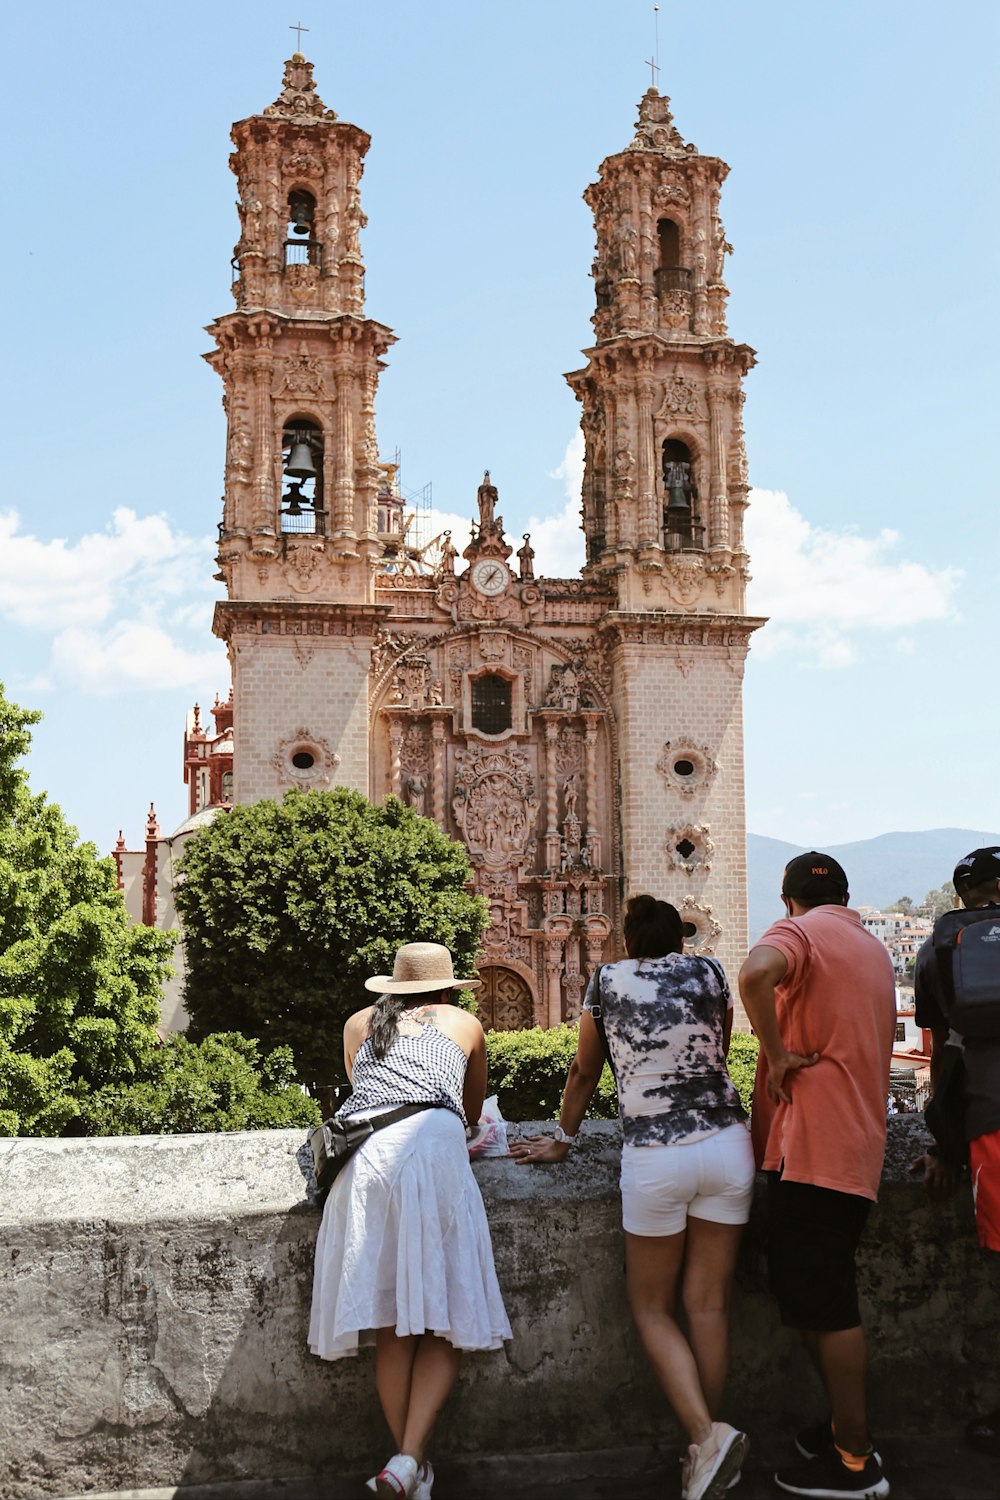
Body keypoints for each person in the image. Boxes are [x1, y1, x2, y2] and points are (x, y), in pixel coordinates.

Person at [510, 894, 753, 1500]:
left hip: (657, 1154)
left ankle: (705, 1434)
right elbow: (718, 1044)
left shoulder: (606, 979)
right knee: (709, 1305)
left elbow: (584, 1072)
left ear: (626, 938)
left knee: (651, 1307)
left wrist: (564, 1139)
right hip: (728, 1144)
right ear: (678, 937)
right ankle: (705, 1450)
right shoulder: (712, 971)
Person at [308, 942, 511, 1500]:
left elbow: (363, 1090)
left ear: (394, 988)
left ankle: (408, 1470)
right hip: (430, 1154)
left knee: (393, 1325)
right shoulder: (464, 1023)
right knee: (449, 1313)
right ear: (446, 989)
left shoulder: (358, 1024)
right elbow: (471, 1113)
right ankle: (409, 1458)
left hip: (366, 1164)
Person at [738, 852, 895, 1499]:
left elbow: (754, 974)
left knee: (828, 1306)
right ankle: (839, 1429)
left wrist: (774, 1055)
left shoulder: (801, 934)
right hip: (853, 1148)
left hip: (818, 1153)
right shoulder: (870, 945)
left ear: (787, 900)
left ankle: (856, 1460)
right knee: (813, 1295)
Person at [910, 846, 1000, 1457]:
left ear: (964, 892)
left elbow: (941, 1051)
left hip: (992, 1124)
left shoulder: (943, 946)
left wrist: (945, 1146)